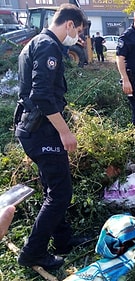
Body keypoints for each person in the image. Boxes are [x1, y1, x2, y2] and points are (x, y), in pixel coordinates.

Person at [13, 3, 89, 270]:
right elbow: (42, 95)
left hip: (34, 129)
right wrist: (65, 132)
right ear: (68, 24)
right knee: (60, 194)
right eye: (77, 31)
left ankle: (63, 240)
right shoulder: (48, 46)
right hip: (42, 131)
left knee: (53, 188)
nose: (77, 37)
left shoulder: (37, 42)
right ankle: (32, 252)